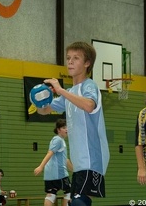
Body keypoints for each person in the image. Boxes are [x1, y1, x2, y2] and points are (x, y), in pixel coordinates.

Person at [37, 41, 110, 206]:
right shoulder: (69, 93)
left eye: (76, 58)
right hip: (79, 161)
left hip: (92, 157)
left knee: (78, 202)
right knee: (76, 201)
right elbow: (45, 110)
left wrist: (60, 90)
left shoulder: (90, 86)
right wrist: (40, 99)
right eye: (68, 57)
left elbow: (89, 105)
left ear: (87, 63)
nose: (70, 61)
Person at [34, 118, 72, 206]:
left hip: (49, 175)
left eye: (67, 127)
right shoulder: (58, 140)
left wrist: (74, 170)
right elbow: (50, 153)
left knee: (51, 194)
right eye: (63, 127)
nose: (66, 129)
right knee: (70, 191)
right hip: (59, 173)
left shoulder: (58, 140)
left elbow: (65, 160)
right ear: (58, 130)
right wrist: (40, 166)